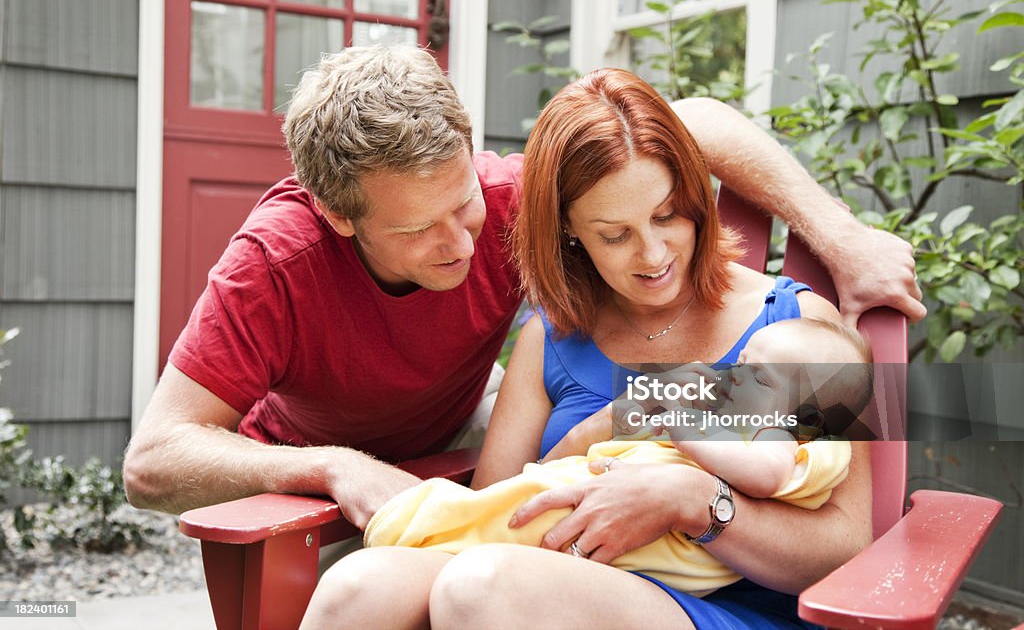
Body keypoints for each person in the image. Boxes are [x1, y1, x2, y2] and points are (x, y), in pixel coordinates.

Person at [124, 46, 917, 538]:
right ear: (337, 215)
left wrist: (840, 236)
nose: (463, 243)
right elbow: (152, 461)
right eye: (416, 230)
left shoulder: (510, 200)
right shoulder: (276, 264)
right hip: (309, 458)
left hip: (467, 420)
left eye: (462, 200)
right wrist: (331, 466)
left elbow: (688, 121)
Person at [300, 68, 878, 630]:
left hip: (732, 608)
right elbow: (499, 506)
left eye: (666, 215)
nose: (652, 255)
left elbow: (846, 547)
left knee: (480, 587)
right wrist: (593, 434)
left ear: (697, 203)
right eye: (615, 234)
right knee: (361, 586)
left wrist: (696, 498)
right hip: (555, 575)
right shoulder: (550, 339)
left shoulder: (798, 327)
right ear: (571, 230)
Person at [360, 317, 872, 598]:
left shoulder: (782, 432)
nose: (733, 376)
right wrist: (619, 418)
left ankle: (430, 524)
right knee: (360, 582)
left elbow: (768, 477)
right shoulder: (552, 331)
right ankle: (437, 526)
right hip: (591, 513)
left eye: (756, 376)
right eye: (739, 363)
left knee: (482, 574)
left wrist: (684, 441)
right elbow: (503, 477)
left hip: (677, 579)